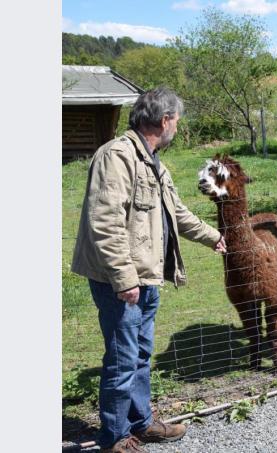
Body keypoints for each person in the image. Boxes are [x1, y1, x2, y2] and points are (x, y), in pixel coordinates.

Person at [71, 87, 226, 452]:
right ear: (165, 120)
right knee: (123, 359)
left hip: (147, 277)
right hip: (120, 281)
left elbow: (177, 212)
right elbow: (105, 223)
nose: (177, 128)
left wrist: (213, 236)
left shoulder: (153, 162)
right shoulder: (117, 156)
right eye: (177, 121)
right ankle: (114, 437)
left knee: (141, 355)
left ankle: (140, 423)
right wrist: (124, 279)